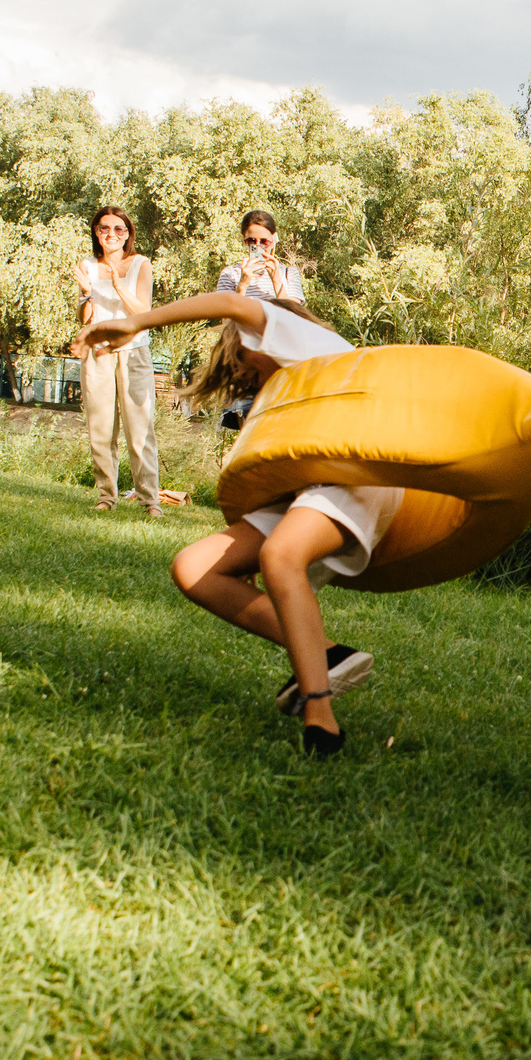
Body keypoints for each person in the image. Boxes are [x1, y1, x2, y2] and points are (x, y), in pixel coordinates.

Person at [79, 287, 382, 755]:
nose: (240, 367)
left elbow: (230, 303)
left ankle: (321, 718)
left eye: (240, 354)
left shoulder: (295, 336)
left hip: (361, 477)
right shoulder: (286, 383)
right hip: (316, 485)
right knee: (195, 567)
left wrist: (137, 322)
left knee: (279, 555)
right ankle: (325, 654)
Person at [76, 206, 160, 514]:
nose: (111, 235)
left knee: (139, 430)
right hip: (97, 353)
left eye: (118, 230)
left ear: (128, 234)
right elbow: (84, 318)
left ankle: (150, 501)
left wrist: (115, 284)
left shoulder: (140, 264)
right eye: (104, 229)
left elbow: (143, 313)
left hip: (133, 351)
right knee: (100, 428)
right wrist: (87, 293)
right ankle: (106, 497)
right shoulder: (87, 264)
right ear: (96, 233)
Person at [216, 209, 304, 311]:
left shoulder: (289, 273)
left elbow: (294, 317)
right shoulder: (230, 274)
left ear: (273, 240)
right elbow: (226, 321)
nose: (258, 246)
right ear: (244, 240)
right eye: (251, 241)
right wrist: (242, 286)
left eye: (264, 241)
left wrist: (276, 281)